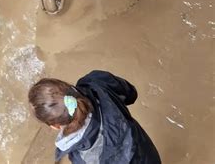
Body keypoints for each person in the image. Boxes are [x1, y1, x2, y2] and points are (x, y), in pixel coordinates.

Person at [28, 70, 161, 163]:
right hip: (147, 153)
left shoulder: (81, 156)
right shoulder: (97, 82)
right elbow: (130, 92)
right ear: (70, 87)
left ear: (55, 126)